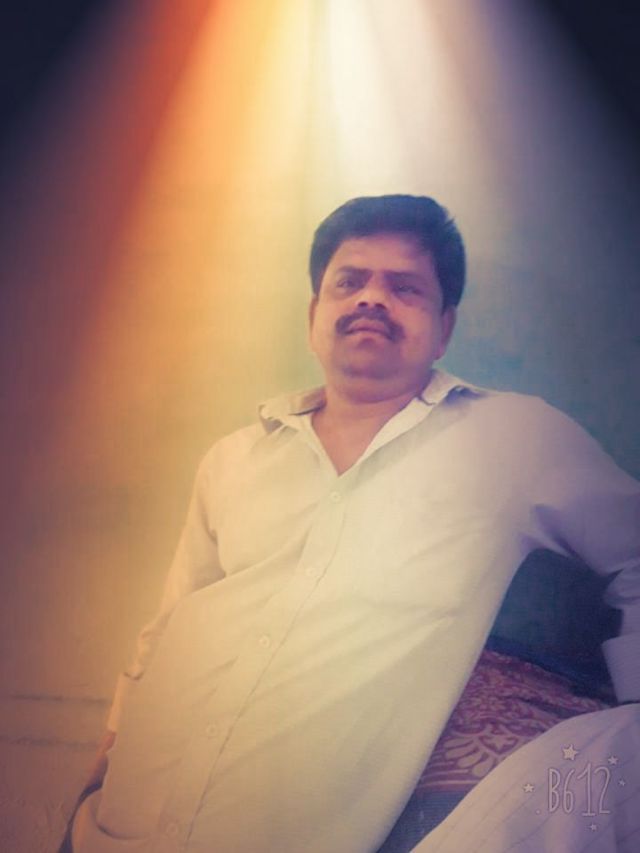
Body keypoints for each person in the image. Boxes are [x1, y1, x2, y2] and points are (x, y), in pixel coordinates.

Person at [68, 195, 640, 852]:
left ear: (444, 327)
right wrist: (98, 769)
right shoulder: (232, 457)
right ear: (314, 315)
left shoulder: (514, 438)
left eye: (404, 287)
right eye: (350, 281)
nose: (372, 298)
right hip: (107, 827)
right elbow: (167, 626)